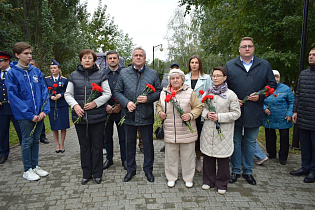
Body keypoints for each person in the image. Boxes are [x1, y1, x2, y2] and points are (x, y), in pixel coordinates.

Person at [225, 37, 276, 185]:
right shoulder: (230, 65)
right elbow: (224, 85)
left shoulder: (264, 65)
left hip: (254, 110)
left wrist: (260, 97)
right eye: (244, 46)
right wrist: (233, 100)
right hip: (236, 110)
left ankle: (248, 171)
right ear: (239, 49)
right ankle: (235, 170)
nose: (247, 49)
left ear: (253, 48)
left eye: (250, 46)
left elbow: (271, 85)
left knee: (250, 142)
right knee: (235, 141)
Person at [114, 47, 161, 183]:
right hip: (128, 115)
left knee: (147, 145)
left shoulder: (152, 73)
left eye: (141, 55)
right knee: (129, 144)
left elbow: (158, 91)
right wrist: (126, 103)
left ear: (145, 58)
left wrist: (149, 98)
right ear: (132, 58)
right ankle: (130, 170)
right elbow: (117, 92)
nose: (138, 57)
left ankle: (148, 170)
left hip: (145, 115)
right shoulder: (124, 73)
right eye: (136, 55)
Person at [65, 49, 111, 185]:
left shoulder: (101, 74)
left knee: (97, 146)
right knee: (84, 146)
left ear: (94, 60)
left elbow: (107, 93)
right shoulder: (73, 75)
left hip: (97, 117)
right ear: (81, 60)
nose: (87, 60)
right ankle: (86, 173)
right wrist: (75, 106)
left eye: (89, 58)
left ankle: (97, 173)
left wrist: (95, 103)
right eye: (84, 58)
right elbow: (68, 94)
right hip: (80, 117)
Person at [5, 42, 50, 181]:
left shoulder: (35, 71)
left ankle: (35, 166)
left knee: (36, 140)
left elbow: (44, 91)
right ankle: (27, 169)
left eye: (30, 53)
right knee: (27, 141)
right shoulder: (12, 73)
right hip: (25, 116)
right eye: (26, 53)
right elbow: (14, 97)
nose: (29, 56)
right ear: (17, 55)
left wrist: (44, 110)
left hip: (39, 114)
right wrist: (30, 115)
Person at [156, 69, 202, 188]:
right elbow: (159, 105)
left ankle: (188, 178)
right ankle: (171, 177)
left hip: (187, 131)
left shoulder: (190, 92)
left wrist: (190, 115)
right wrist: (160, 112)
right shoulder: (164, 93)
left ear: (182, 79)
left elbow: (198, 107)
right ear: (169, 81)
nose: (175, 80)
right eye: (172, 78)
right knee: (171, 157)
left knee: (188, 157)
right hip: (170, 130)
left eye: (178, 78)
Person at [200, 67, 241, 194]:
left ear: (224, 78)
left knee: (222, 158)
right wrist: (207, 114)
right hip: (209, 129)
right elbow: (201, 108)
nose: (215, 78)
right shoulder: (207, 93)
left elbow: (236, 113)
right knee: (208, 156)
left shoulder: (230, 94)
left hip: (224, 131)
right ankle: (208, 181)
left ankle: (222, 183)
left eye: (219, 75)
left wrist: (220, 117)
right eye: (214, 75)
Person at [290, 48, 315, 183]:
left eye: (314, 55)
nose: (311, 57)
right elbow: (298, 94)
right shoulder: (304, 74)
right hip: (303, 116)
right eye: (310, 55)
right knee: (305, 145)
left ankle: (313, 171)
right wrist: (295, 111)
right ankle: (305, 167)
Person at [184, 55, 212, 173]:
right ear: (189, 64)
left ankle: (198, 159)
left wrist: (200, 104)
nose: (194, 64)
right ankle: (188, 160)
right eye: (192, 62)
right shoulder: (184, 78)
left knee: (199, 136)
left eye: (196, 62)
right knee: (188, 136)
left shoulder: (206, 78)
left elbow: (209, 94)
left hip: (200, 111)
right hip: (187, 111)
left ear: (200, 64)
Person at [263, 70, 295, 165]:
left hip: (283, 117)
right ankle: (271, 153)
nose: (275, 79)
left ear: (279, 77)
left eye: (277, 76)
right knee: (269, 136)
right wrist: (264, 108)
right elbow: (259, 101)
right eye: (273, 77)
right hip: (269, 116)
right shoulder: (265, 89)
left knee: (284, 138)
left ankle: (283, 157)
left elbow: (292, 102)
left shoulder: (286, 89)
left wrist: (289, 113)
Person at [102, 50, 126, 170]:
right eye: (110, 58)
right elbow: (98, 92)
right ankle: (109, 159)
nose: (112, 60)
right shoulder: (102, 74)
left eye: (114, 58)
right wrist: (105, 105)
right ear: (107, 60)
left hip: (121, 110)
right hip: (106, 111)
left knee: (123, 136)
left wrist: (121, 105)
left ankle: (125, 160)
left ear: (118, 59)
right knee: (107, 137)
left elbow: (128, 90)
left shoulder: (125, 73)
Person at [0, 51, 22, 164]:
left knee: (20, 130)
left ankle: (25, 152)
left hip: (15, 108)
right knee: (2, 131)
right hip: (2, 109)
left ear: (7, 61)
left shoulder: (15, 73)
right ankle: (3, 153)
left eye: (0, 61)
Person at [44, 59, 69, 153]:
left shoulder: (64, 79)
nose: (53, 70)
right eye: (51, 68)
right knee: (54, 125)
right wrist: (50, 96)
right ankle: (57, 144)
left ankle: (62, 144)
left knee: (63, 125)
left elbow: (67, 91)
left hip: (62, 104)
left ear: (59, 69)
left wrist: (60, 95)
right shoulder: (47, 80)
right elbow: (44, 91)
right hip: (52, 105)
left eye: (54, 68)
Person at [160, 62, 180, 153]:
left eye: (176, 68)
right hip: (167, 107)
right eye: (172, 68)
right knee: (166, 127)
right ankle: (166, 144)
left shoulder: (181, 79)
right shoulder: (165, 80)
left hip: (179, 106)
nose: (174, 69)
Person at [30, 60, 49, 144]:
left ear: (36, 65)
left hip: (39, 102)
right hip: (30, 103)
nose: (31, 66)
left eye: (32, 64)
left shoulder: (41, 75)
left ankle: (42, 136)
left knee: (41, 119)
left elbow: (44, 89)